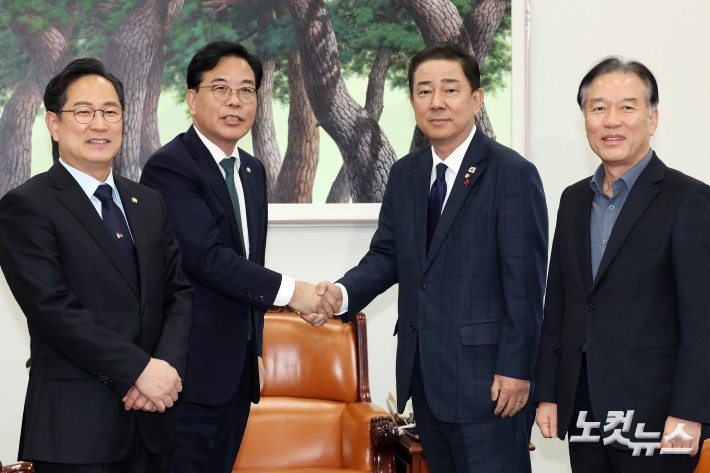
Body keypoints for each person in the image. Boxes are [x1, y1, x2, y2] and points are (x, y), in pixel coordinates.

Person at [316, 43, 548, 473]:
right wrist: (340, 294)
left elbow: (526, 284)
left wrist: (517, 370)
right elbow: (387, 255)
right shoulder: (406, 173)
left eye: (450, 89)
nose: (436, 102)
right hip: (425, 379)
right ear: (412, 102)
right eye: (424, 91)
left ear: (476, 99)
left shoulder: (511, 174)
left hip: (490, 385)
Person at [139, 41, 325, 473]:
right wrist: (294, 293)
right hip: (187, 375)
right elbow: (206, 258)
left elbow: (249, 265)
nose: (235, 101)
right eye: (220, 88)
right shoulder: (170, 167)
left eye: (246, 90)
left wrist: (253, 349)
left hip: (237, 375)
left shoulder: (252, 170)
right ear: (192, 99)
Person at [0, 58, 193, 473]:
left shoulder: (148, 202)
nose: (99, 124)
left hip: (153, 423)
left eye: (110, 112)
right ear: (54, 124)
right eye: (84, 112)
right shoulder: (27, 206)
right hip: (76, 430)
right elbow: (53, 309)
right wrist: (139, 371)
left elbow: (177, 293)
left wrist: (163, 370)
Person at [534, 56, 710, 472]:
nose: (611, 120)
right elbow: (559, 304)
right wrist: (548, 393)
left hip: (659, 416)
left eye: (627, 107)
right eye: (598, 108)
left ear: (653, 119)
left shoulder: (689, 199)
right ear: (585, 120)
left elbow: (702, 321)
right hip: (585, 409)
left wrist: (690, 413)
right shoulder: (573, 199)